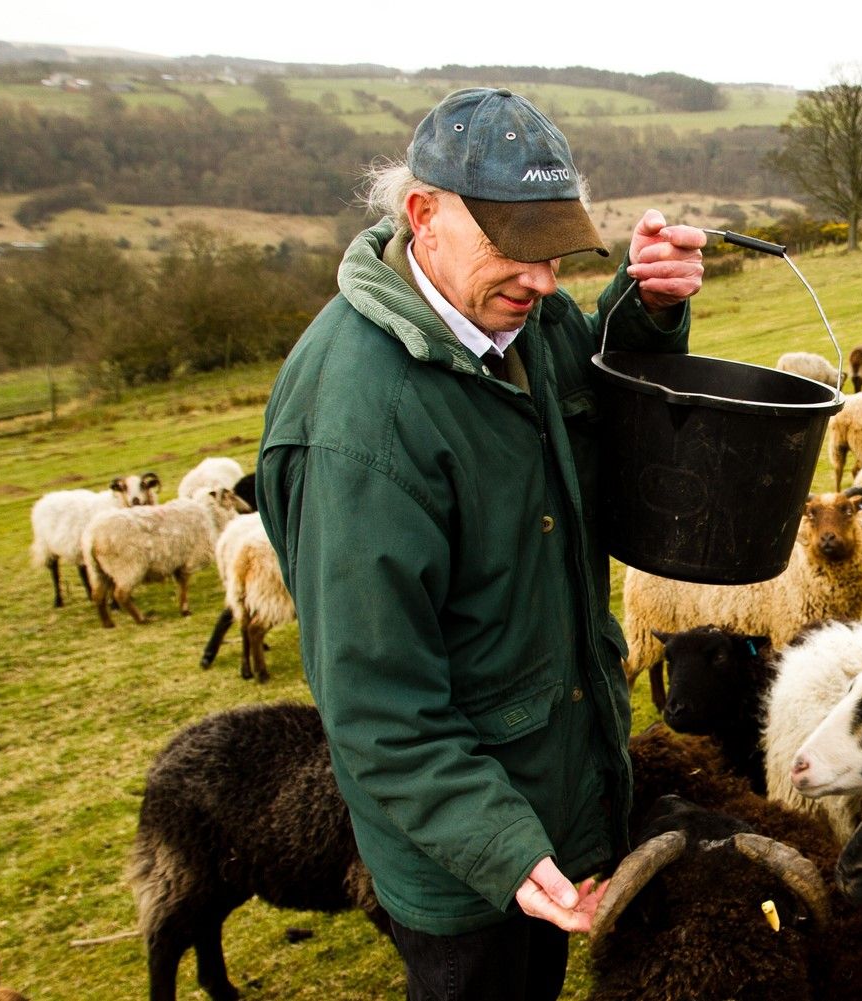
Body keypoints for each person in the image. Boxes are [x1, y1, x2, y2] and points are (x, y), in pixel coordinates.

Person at [258, 88, 705, 1001]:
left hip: (556, 797)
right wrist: (503, 847)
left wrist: (647, 308)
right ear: (423, 214)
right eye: (513, 246)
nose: (542, 280)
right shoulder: (358, 429)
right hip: (463, 862)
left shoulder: (528, 321)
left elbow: (601, 408)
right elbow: (378, 705)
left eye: (554, 251)